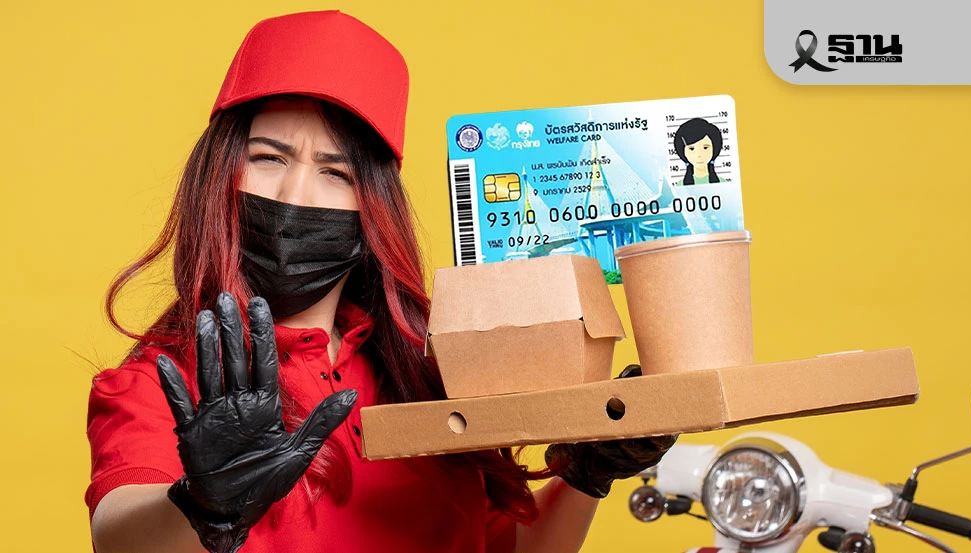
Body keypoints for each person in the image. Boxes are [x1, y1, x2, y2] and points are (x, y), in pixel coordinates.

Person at [85, 10, 675, 553]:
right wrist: (202, 507)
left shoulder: (427, 371)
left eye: (336, 172)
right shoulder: (159, 381)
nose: (295, 196)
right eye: (268, 158)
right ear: (218, 176)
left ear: (374, 207)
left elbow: (507, 547)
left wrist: (587, 475)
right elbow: (121, 535)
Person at [672, 117, 726, 186]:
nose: (699, 155)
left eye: (705, 148)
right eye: (691, 149)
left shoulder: (722, 183)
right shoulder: (680, 185)